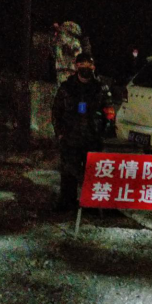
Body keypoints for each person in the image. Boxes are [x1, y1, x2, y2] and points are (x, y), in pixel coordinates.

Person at [52, 53, 115, 212]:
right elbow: (56, 112)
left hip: (92, 139)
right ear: (76, 66)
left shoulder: (101, 88)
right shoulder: (66, 87)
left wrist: (103, 132)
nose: (85, 67)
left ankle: (91, 205)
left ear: (93, 67)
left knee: (92, 174)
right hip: (70, 138)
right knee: (68, 173)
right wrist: (60, 133)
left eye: (88, 64)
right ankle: (67, 203)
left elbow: (109, 113)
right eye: (82, 64)